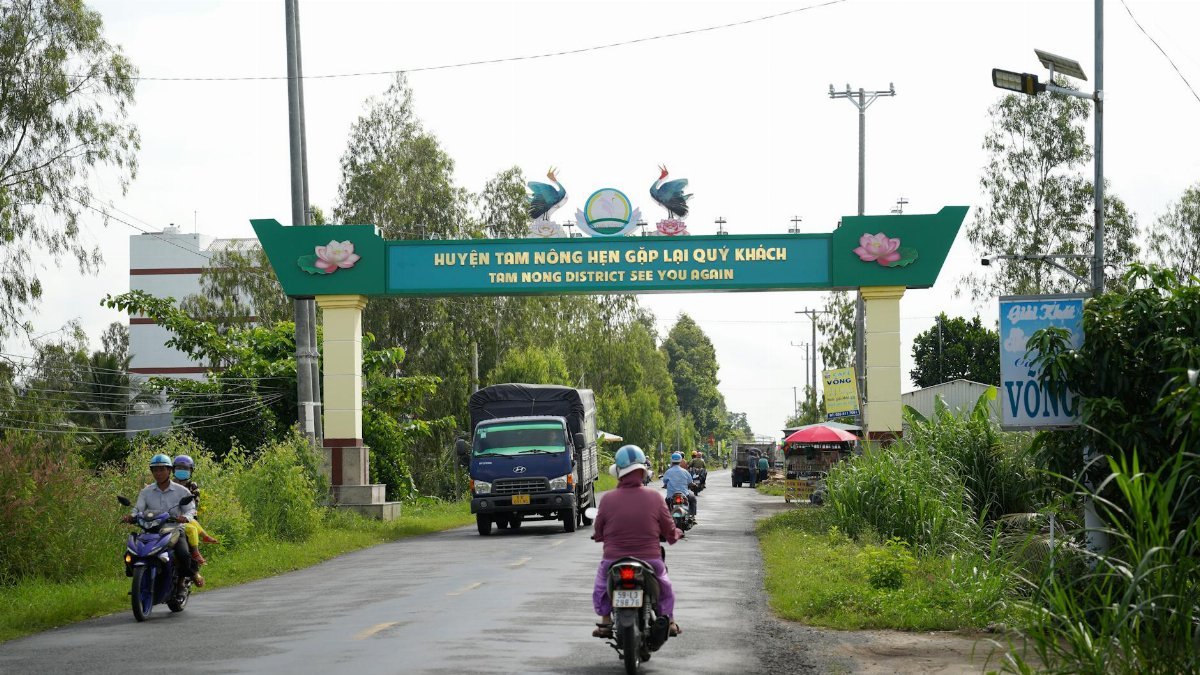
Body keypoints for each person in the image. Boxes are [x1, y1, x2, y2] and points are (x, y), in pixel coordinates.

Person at [591, 445, 683, 638]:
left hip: (613, 559)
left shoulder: (607, 499)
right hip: (650, 559)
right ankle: (670, 620)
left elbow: (598, 529)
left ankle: (606, 620)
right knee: (664, 584)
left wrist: (599, 536)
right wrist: (675, 534)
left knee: (602, 582)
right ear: (643, 471)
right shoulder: (655, 497)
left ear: (619, 472)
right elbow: (668, 528)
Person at [124, 453, 203, 586]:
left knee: (183, 554)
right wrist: (132, 516)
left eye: (162, 469)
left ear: (169, 471)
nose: (158, 473)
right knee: (130, 553)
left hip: (174, 530)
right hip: (150, 530)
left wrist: (185, 517)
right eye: (155, 470)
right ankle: (139, 575)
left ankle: (183, 583)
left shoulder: (182, 491)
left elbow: (191, 509)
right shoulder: (146, 492)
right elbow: (138, 509)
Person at [171, 455, 219, 568]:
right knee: (192, 527)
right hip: (170, 516)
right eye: (179, 468)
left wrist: (186, 512)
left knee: (192, 524)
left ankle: (197, 552)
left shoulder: (192, 485)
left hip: (185, 516)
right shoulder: (169, 484)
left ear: (191, 471)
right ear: (173, 470)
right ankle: (204, 538)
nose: (182, 471)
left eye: (185, 469)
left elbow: (194, 503)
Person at [662, 452, 697, 517]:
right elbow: (690, 482)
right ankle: (692, 516)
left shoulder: (668, 471)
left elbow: (665, 482)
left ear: (672, 461)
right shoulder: (685, 471)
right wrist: (694, 485)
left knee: (665, 504)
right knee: (693, 499)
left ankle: (666, 517)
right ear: (680, 461)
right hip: (684, 494)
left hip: (671, 496)